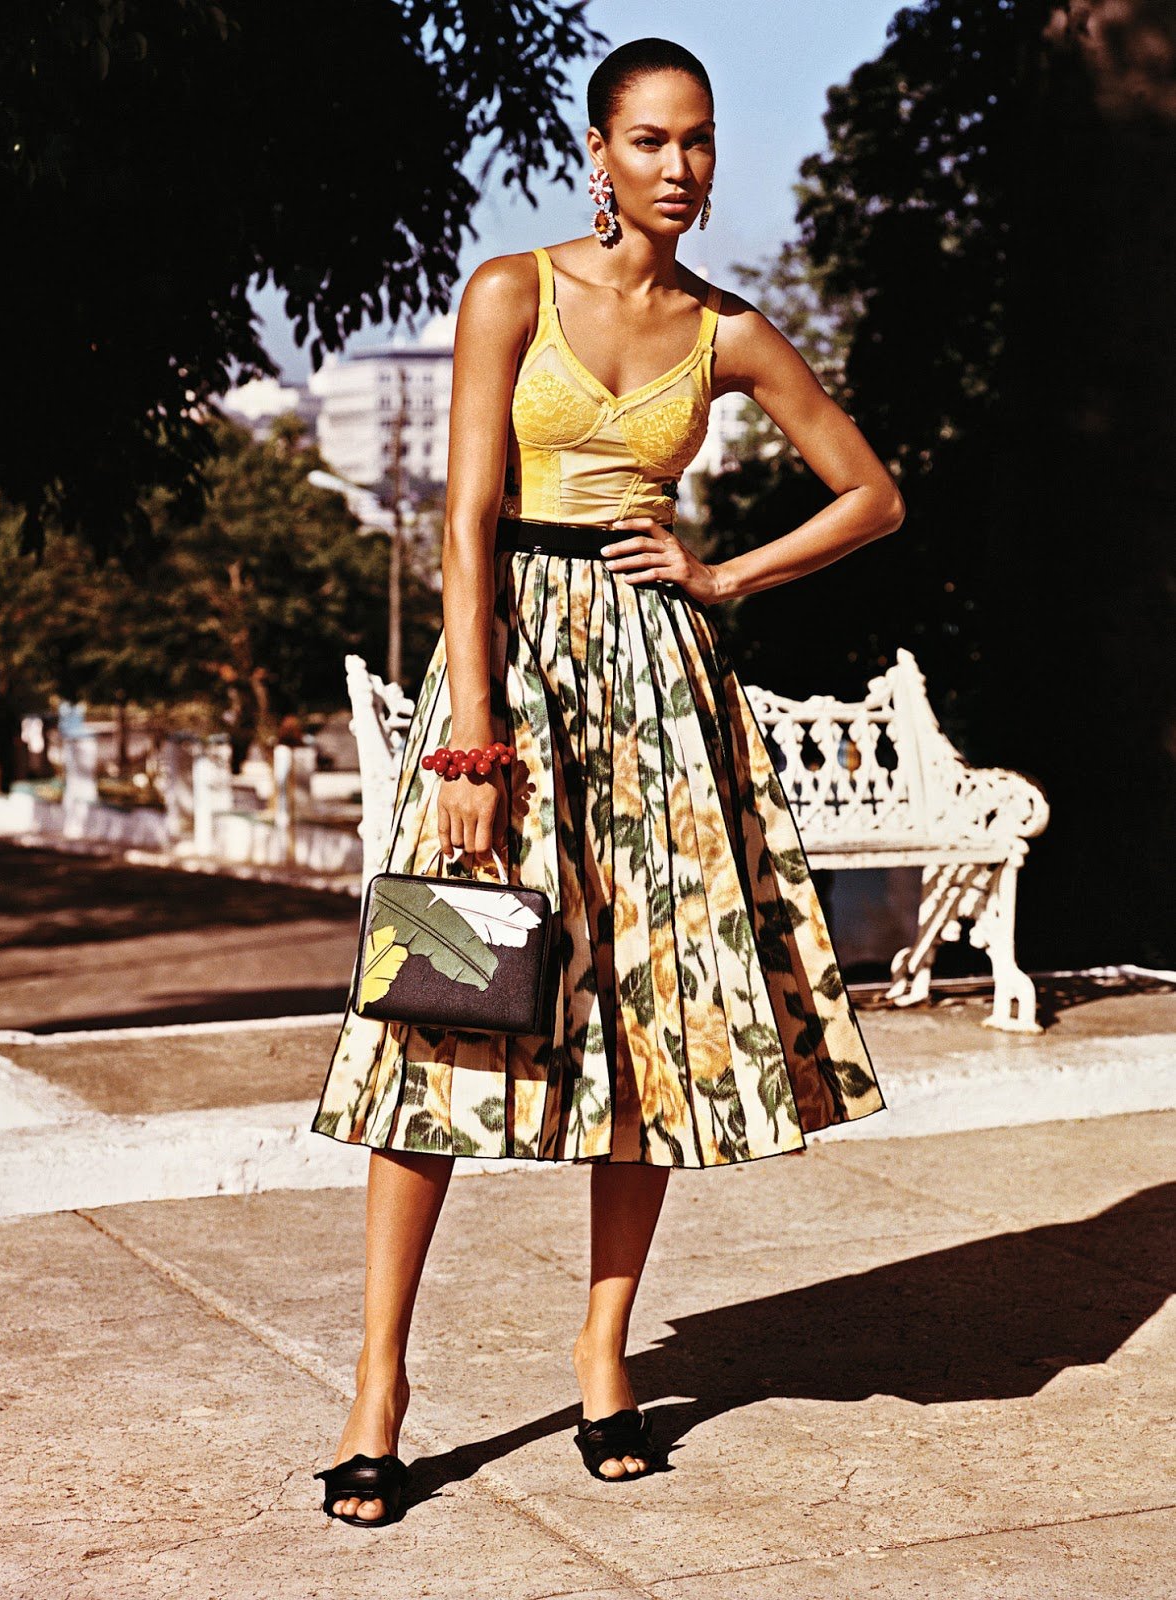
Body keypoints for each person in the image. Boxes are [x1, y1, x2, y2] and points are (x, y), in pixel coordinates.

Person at [311, 36, 905, 1527]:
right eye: (649, 140)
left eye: (697, 141)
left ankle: (602, 1357)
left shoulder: (727, 328)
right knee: (432, 1022)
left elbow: (872, 496)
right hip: (506, 680)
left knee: (645, 1034)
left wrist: (722, 578)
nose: (679, 167)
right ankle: (380, 1386)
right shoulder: (510, 289)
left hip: (657, 689)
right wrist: (467, 739)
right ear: (596, 149)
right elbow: (463, 524)